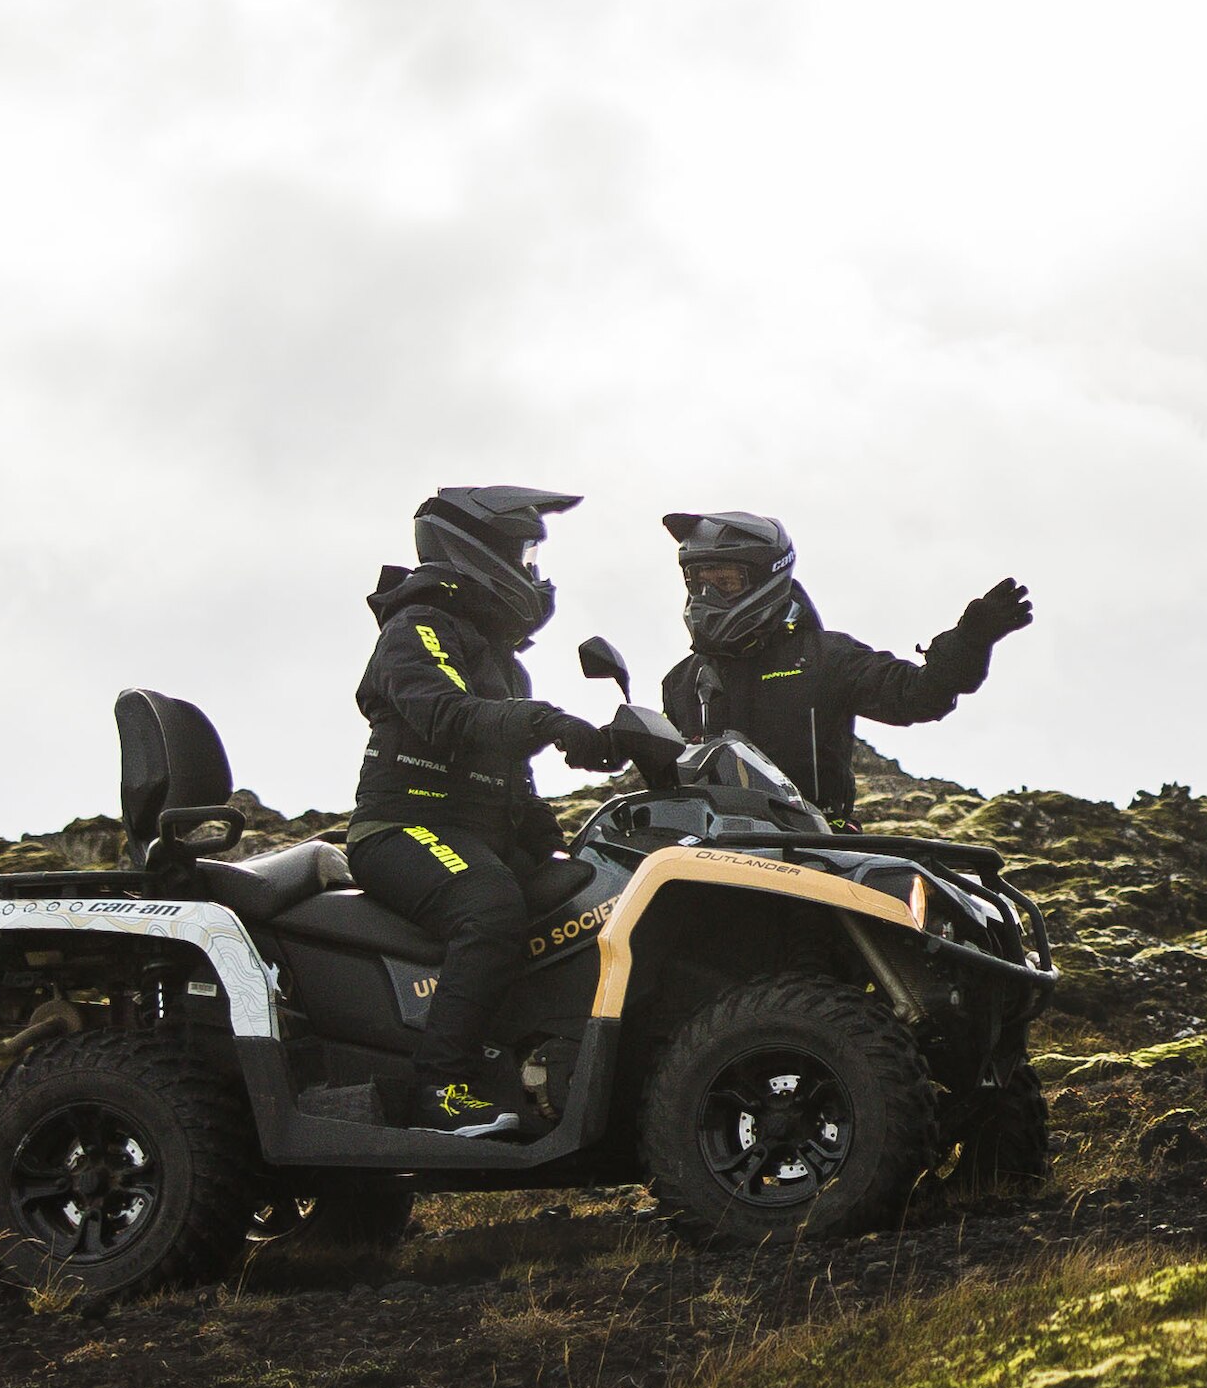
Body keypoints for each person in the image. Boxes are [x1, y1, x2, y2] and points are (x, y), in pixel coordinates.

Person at [349, 483, 629, 1129]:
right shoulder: (416, 626)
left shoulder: (499, 658)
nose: (533, 571)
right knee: (489, 903)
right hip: (405, 826)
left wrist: (561, 834)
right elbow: (445, 713)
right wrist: (550, 721)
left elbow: (511, 776)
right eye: (523, 554)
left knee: (585, 891)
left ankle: (542, 1069)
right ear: (476, 551)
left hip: (478, 831)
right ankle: (439, 1088)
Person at [658, 510, 1031, 822]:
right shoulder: (682, 681)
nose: (707, 596)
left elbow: (917, 695)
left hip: (813, 852)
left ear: (767, 579)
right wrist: (603, 743)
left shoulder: (826, 659)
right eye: (698, 582)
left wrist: (969, 640)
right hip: (705, 859)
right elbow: (660, 766)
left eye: (724, 582)